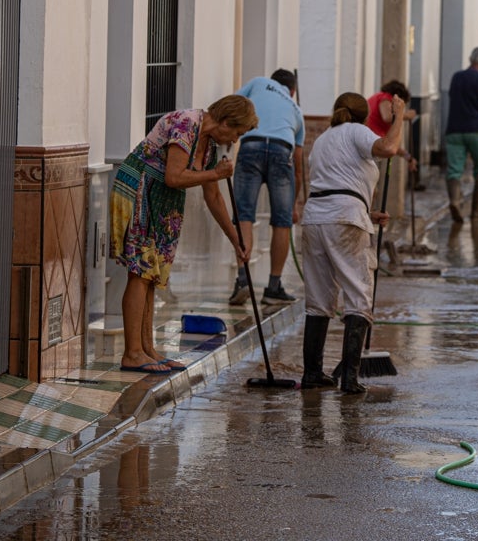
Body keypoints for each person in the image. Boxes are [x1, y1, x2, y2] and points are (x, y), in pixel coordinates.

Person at [110, 95, 257, 374]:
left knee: (151, 276)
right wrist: (214, 174)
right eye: (237, 133)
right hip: (141, 191)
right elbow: (174, 176)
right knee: (140, 272)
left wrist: (235, 239)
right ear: (226, 122)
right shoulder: (186, 125)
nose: (235, 140)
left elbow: (214, 197)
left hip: (164, 200)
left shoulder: (209, 145)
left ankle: (147, 350)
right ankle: (132, 353)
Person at [298, 92, 406, 394]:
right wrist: (398, 117)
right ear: (363, 115)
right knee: (358, 295)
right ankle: (349, 378)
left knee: (318, 299)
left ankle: (312, 373)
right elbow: (389, 148)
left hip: (316, 218)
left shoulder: (322, 140)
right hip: (344, 218)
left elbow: (334, 184)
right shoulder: (358, 131)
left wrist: (366, 213)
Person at [229, 70, 306, 306]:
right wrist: (293, 206)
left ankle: (243, 280)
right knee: (282, 222)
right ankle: (273, 287)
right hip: (282, 151)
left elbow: (233, 104)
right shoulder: (296, 111)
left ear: (273, 81)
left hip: (251, 145)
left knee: (244, 215)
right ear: (292, 91)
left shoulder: (259, 82)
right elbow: (299, 167)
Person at [444, 47, 478, 223]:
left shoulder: (456, 77)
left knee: (454, 169)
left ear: (470, 60)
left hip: (454, 130)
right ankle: (476, 211)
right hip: (476, 131)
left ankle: (455, 202)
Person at [365, 79, 418, 170]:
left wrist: (409, 158)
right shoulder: (386, 97)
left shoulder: (378, 97)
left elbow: (392, 147)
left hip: (372, 144)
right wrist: (405, 115)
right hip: (370, 144)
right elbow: (387, 117)